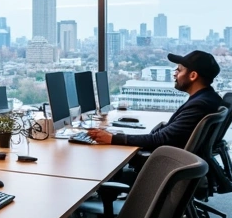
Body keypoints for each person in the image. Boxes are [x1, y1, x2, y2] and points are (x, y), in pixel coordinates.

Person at [87, 50, 224, 151]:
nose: (175, 73)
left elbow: (162, 140)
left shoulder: (200, 105)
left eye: (179, 70)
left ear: (193, 75)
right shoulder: (206, 98)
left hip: (165, 163)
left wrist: (112, 138)